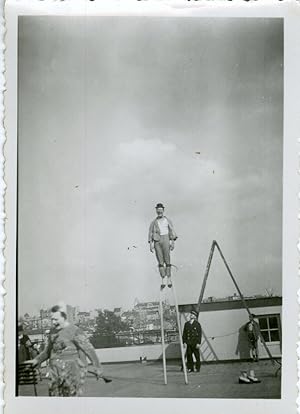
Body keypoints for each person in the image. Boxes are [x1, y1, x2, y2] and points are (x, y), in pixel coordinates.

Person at [26, 304, 111, 396]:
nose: (53, 322)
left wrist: (98, 368)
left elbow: (89, 350)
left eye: (56, 319)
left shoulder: (75, 331)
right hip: (55, 375)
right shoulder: (52, 332)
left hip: (71, 376)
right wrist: (37, 360)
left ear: (64, 317)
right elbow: (48, 351)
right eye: (52, 319)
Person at [148, 203, 177, 288]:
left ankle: (169, 278)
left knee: (167, 259)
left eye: (161, 210)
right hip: (157, 241)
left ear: (163, 211)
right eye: (158, 211)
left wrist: (172, 242)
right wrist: (151, 244)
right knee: (160, 260)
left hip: (166, 239)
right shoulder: (153, 222)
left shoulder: (167, 220)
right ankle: (163, 278)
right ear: (156, 211)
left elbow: (172, 232)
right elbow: (150, 233)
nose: (159, 212)